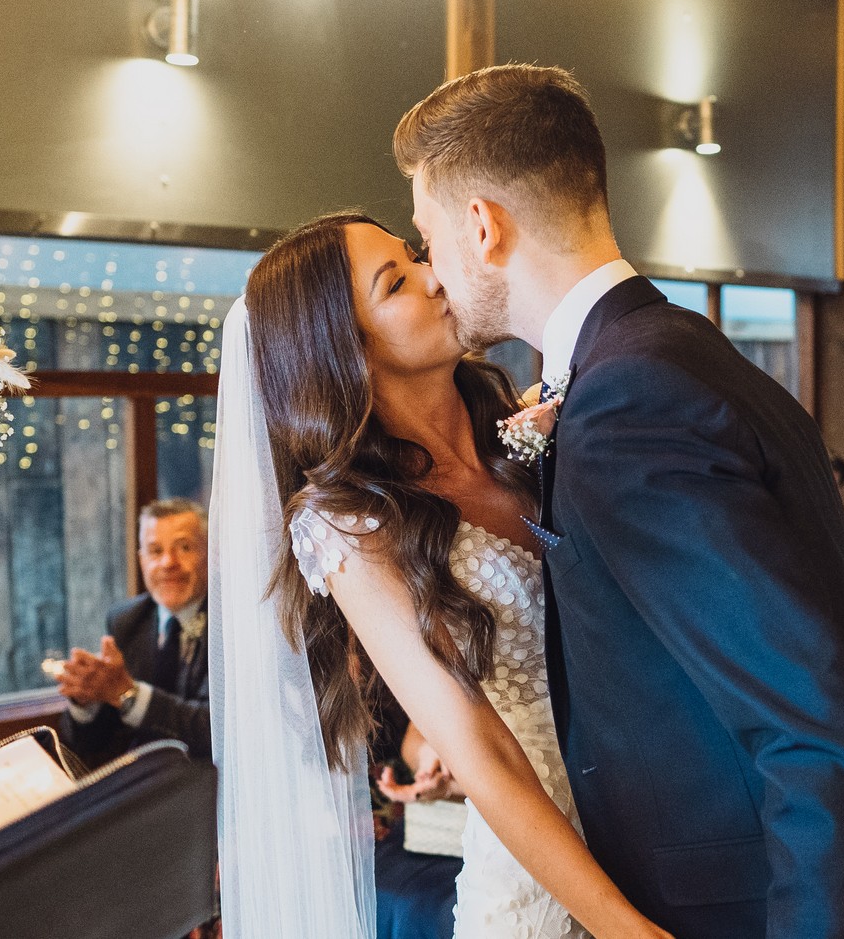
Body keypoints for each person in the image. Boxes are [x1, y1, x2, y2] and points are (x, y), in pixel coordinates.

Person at [394, 64, 844, 938]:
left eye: (427, 239)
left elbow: (815, 722)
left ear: (483, 227)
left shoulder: (628, 403)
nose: (431, 273)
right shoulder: (676, 351)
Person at [212, 213, 672, 939]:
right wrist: (625, 930)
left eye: (415, 255)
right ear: (348, 351)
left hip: (667, 812)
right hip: (542, 871)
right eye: (396, 283)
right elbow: (478, 747)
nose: (435, 277)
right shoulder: (351, 522)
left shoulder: (530, 430)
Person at [58, 498, 212, 768]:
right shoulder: (126, 620)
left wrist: (128, 693)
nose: (168, 562)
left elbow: (214, 728)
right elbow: (90, 745)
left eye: (184, 547)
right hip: (142, 776)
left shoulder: (231, 625)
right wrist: (86, 701)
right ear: (141, 560)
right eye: (155, 550)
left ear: (211, 554)